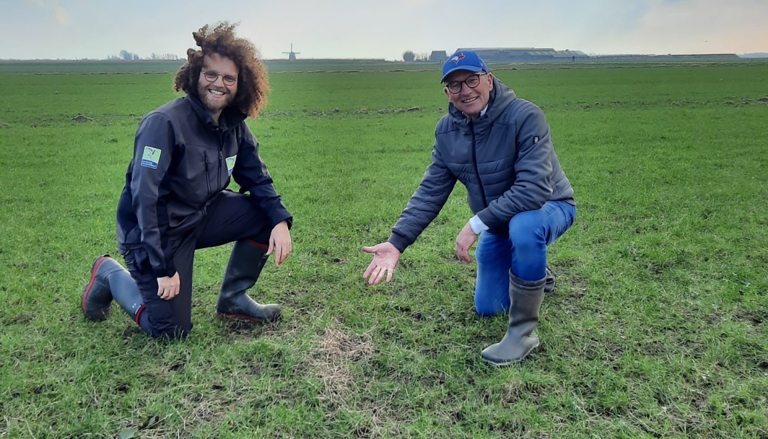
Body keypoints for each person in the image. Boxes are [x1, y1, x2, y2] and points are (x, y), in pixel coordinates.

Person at [362, 50, 576, 366]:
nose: (465, 91)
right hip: (499, 222)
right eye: (454, 85)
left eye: (472, 80)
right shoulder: (447, 132)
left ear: (488, 80)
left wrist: (477, 223)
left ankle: (523, 334)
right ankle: (537, 272)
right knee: (488, 306)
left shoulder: (525, 116)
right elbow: (431, 191)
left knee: (525, 227)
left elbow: (533, 191)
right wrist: (396, 243)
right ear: (446, 93)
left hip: (549, 206)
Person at [81, 22, 293, 339]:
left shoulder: (234, 125)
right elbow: (145, 198)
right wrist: (164, 268)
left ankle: (233, 299)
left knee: (268, 214)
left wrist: (279, 220)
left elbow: (257, 179)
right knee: (169, 331)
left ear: (240, 84)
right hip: (155, 232)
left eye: (228, 78)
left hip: (200, 214)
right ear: (195, 76)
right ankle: (109, 274)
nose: (218, 84)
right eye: (211, 74)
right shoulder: (163, 124)